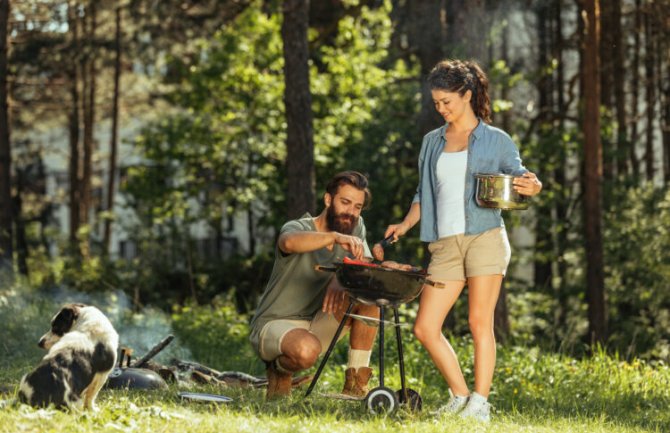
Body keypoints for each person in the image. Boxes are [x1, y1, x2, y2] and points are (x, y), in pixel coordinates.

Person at [383, 59, 542, 422]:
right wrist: (405, 225)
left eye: (447, 102)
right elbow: (424, 192)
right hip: (444, 243)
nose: (441, 109)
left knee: (478, 323)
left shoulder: (496, 139)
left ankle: (480, 404)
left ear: (467, 95)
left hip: (485, 236)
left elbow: (521, 177)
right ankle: (460, 395)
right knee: (425, 327)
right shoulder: (431, 142)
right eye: (436, 103)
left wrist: (533, 184)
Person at [249, 171, 379, 399]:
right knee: (306, 350)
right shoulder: (298, 226)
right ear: (328, 200)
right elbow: (288, 242)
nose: (351, 212)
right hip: (274, 323)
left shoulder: (356, 228)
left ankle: (355, 388)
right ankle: (278, 371)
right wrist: (334, 237)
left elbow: (363, 263)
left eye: (357, 207)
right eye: (345, 202)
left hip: (318, 320)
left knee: (369, 301)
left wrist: (340, 277)